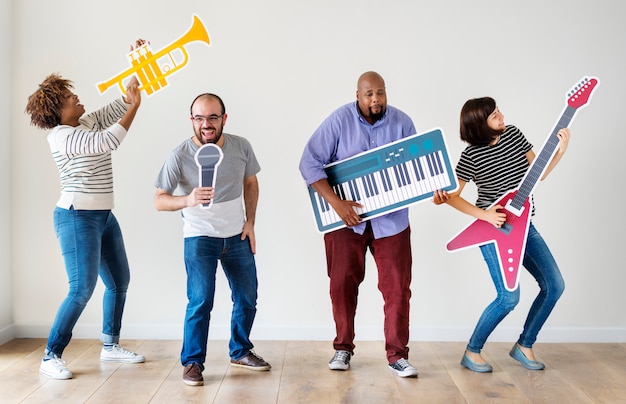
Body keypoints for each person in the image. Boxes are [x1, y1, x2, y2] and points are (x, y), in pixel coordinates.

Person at [25, 42, 147, 380]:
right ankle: (51, 355)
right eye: (68, 98)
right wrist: (134, 108)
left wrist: (139, 63)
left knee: (119, 282)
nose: (77, 99)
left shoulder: (87, 121)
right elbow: (108, 142)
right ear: (56, 111)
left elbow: (123, 101)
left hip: (103, 215)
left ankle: (110, 346)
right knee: (81, 289)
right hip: (76, 216)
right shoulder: (61, 137)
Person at [433, 97, 568, 372]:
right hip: (493, 231)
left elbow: (537, 172)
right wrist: (485, 215)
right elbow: (451, 197)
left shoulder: (514, 134)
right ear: (480, 125)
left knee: (555, 286)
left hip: (524, 226)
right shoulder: (471, 155)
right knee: (508, 298)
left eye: (498, 111)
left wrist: (561, 150)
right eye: (495, 115)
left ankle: (524, 345)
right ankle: (472, 351)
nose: (502, 116)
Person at [299, 71, 419, 378]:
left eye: (380, 93)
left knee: (397, 289)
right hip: (345, 222)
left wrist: (433, 184)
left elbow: (417, 165)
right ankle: (343, 347)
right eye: (369, 94)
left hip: (391, 223)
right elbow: (308, 162)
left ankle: (398, 356)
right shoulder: (338, 121)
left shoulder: (403, 123)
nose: (376, 99)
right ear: (357, 95)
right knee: (341, 285)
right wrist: (337, 204)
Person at [154, 93, 270, 386]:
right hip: (199, 237)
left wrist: (251, 222)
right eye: (199, 118)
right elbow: (159, 200)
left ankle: (240, 351)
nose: (206, 124)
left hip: (237, 235)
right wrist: (187, 199)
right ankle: (192, 362)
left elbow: (251, 182)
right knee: (200, 300)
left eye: (213, 117)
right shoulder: (178, 155)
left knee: (247, 297)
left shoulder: (241, 146)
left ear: (224, 119)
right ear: (191, 120)